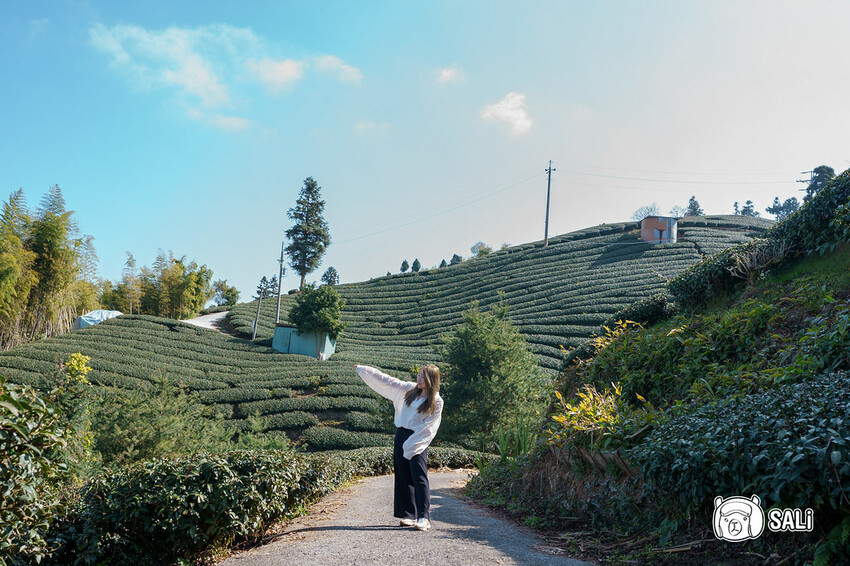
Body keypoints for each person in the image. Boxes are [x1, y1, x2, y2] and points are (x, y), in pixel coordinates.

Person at [354, 363, 443, 532]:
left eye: (423, 376)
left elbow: (431, 426)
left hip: (418, 438)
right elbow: (387, 381)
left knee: (419, 477)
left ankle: (424, 517)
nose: (419, 379)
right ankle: (409, 514)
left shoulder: (436, 401)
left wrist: (414, 443)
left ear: (432, 379)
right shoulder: (409, 390)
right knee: (403, 475)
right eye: (419, 375)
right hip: (401, 434)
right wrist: (364, 370)